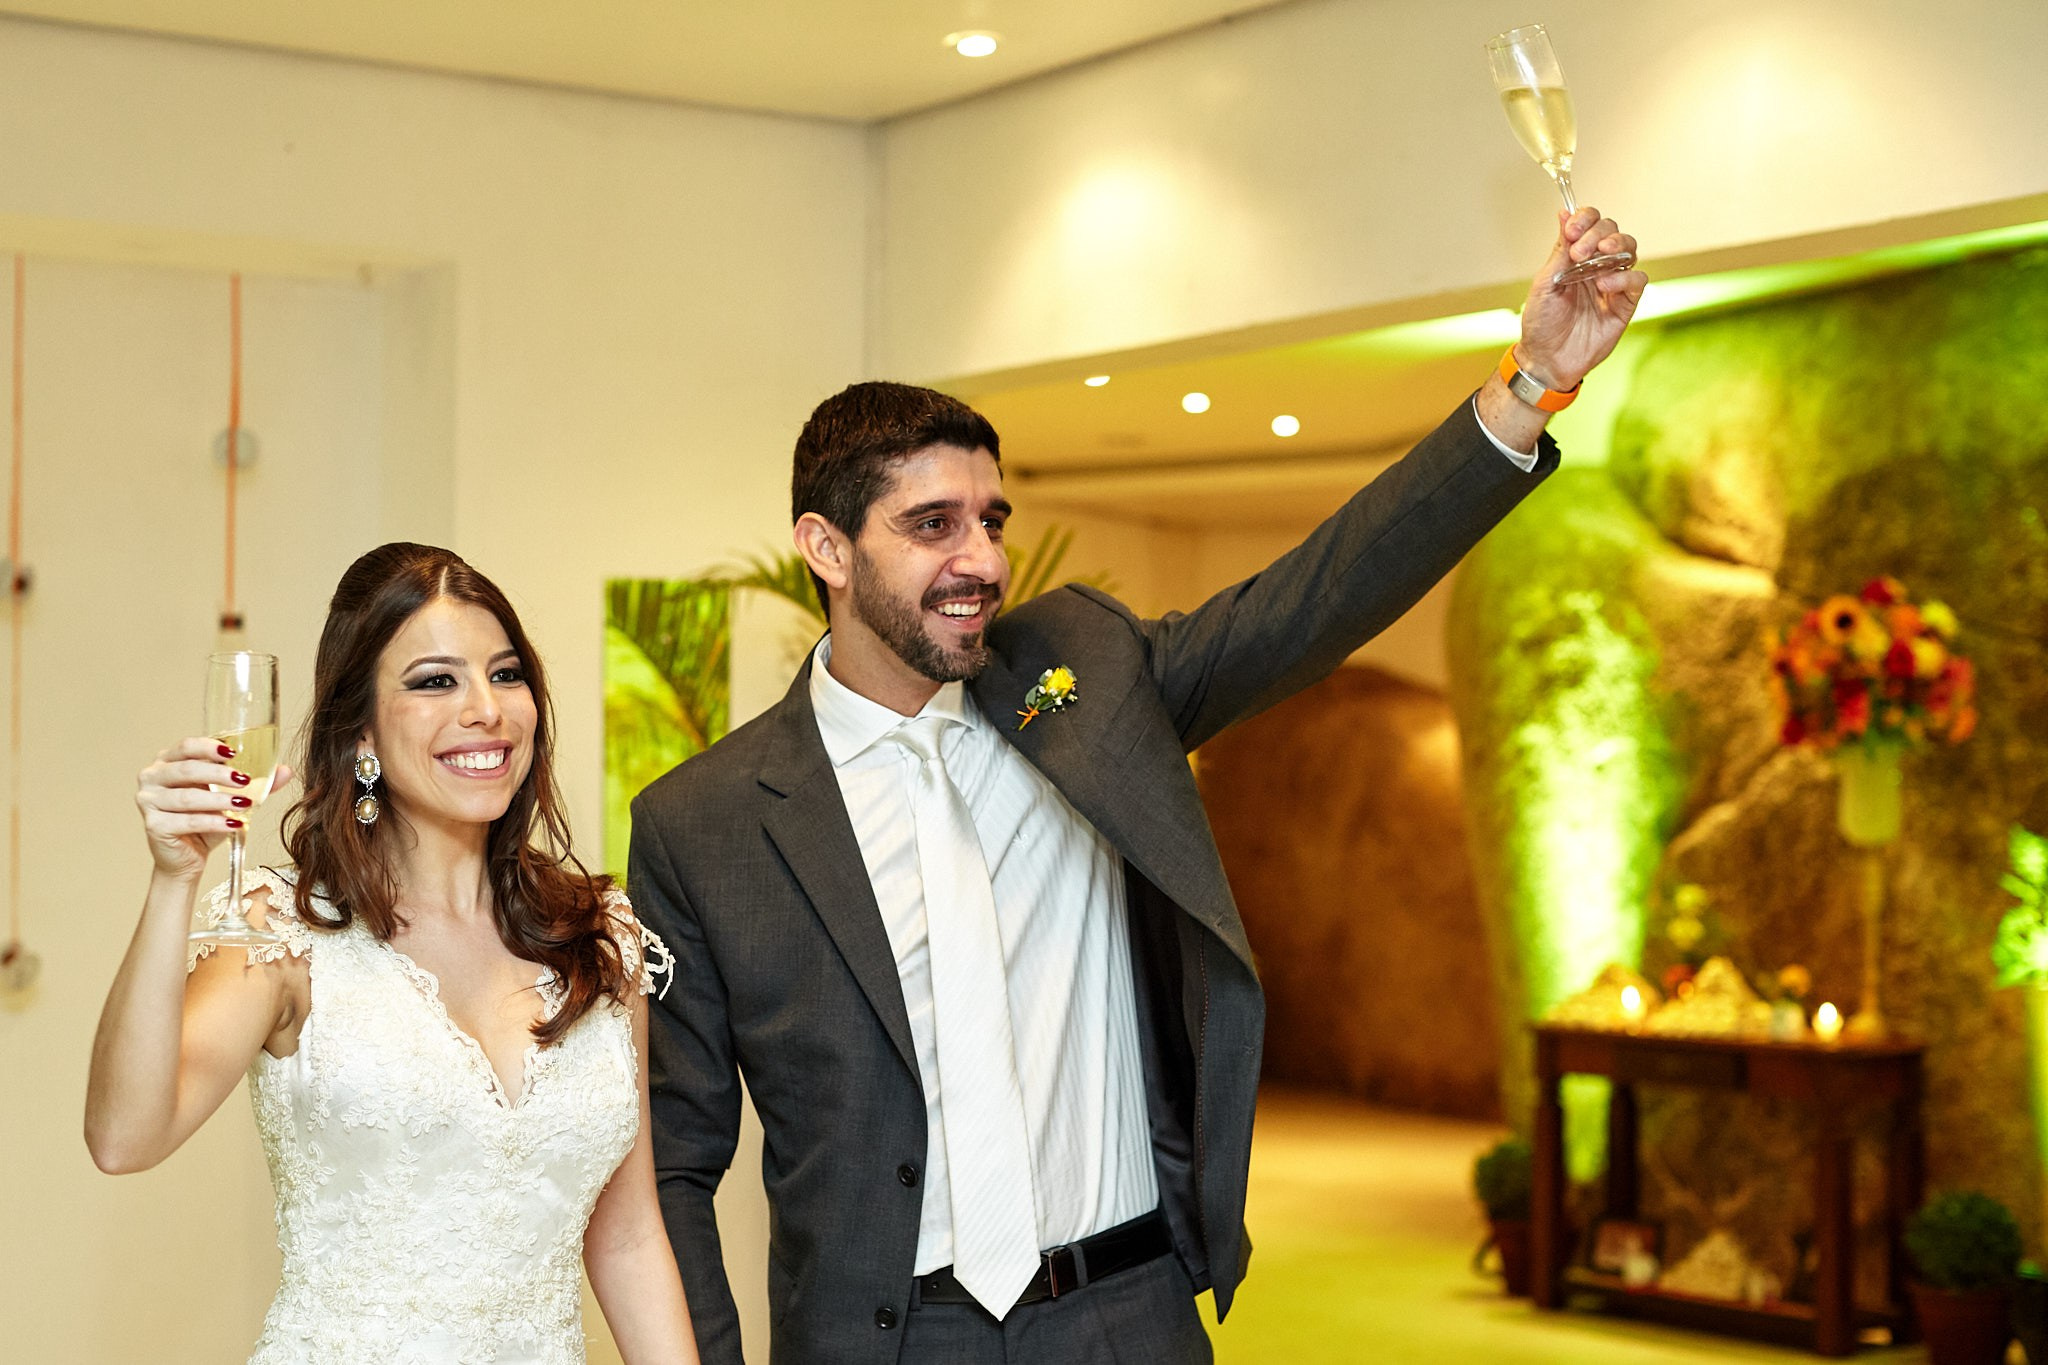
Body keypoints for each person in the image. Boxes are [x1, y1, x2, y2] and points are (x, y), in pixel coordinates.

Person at [629, 209, 1645, 1363]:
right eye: (930, 526)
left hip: (1125, 1317)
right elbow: (674, 1160)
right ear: (824, 548)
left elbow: (1316, 595)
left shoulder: (1087, 678)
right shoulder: (701, 823)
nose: (982, 562)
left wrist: (1530, 387)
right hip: (893, 1340)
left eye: (989, 521)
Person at [85, 543, 700, 1365]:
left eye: (507, 673)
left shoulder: (602, 937)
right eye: (435, 680)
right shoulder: (284, 932)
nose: (487, 709)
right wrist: (173, 880)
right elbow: (125, 1136)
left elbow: (626, 1239)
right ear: (361, 729)